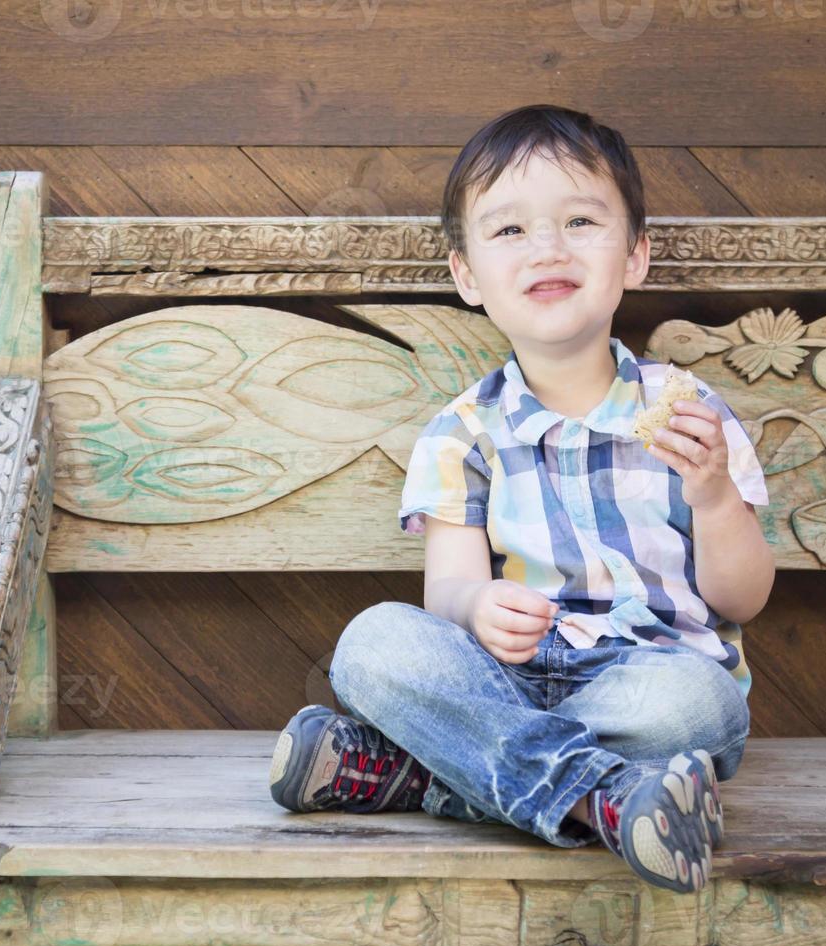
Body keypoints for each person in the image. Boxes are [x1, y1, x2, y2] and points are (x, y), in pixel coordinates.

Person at [268, 104, 774, 894]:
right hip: (502, 679)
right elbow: (448, 591)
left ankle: (420, 778)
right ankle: (605, 800)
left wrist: (711, 498)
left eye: (579, 220)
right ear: (466, 275)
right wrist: (475, 610)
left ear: (634, 255)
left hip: (643, 683)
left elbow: (741, 597)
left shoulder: (686, 415)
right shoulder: (462, 432)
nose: (547, 247)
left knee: (696, 708)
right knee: (372, 644)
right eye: (509, 231)